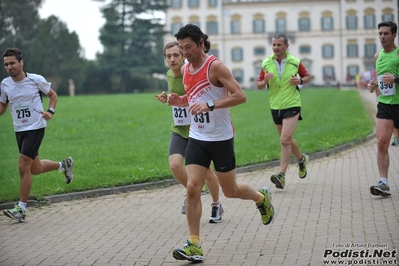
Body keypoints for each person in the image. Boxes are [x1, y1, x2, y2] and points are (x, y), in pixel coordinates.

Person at [168, 24, 274, 263]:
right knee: (193, 187)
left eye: (188, 47)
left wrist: (211, 105)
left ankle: (260, 198)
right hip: (198, 136)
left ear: (201, 44)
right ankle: (194, 244)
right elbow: (193, 98)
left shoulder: (215, 66)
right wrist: (180, 100)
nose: (185, 53)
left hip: (221, 138)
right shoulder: (186, 69)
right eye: (181, 48)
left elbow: (240, 96)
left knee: (230, 190)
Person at [0, 48, 74, 222]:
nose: (9, 67)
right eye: (6, 64)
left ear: (21, 63)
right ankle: (64, 165)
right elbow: (3, 106)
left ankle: (21, 209)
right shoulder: (5, 84)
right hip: (19, 130)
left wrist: (50, 111)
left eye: (12, 63)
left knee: (23, 166)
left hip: (35, 127)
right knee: (35, 168)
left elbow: (52, 95)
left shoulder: (35, 80)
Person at [154, 41, 224, 222]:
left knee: (207, 172)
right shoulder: (169, 75)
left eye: (176, 55)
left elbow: (196, 95)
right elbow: (178, 97)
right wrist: (168, 97)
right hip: (179, 128)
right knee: (175, 165)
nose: (172, 59)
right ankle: (193, 193)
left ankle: (216, 205)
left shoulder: (191, 71)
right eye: (168, 56)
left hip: (198, 129)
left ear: (183, 55)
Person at [256, 33, 311, 190]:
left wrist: (300, 80)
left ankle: (281, 175)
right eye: (274, 45)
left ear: (287, 46)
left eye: (279, 45)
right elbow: (259, 84)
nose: (276, 47)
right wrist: (264, 81)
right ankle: (301, 160)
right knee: (286, 138)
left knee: (285, 140)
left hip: (292, 103)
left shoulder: (295, 62)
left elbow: (307, 76)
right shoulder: (266, 63)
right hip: (275, 106)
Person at [367, 21, 399, 197]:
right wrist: (373, 85)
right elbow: (379, 78)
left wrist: (396, 79)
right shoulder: (377, 56)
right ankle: (383, 182)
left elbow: (392, 79)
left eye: (386, 33)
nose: (382, 36)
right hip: (385, 105)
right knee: (381, 142)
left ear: (394, 35)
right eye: (380, 33)